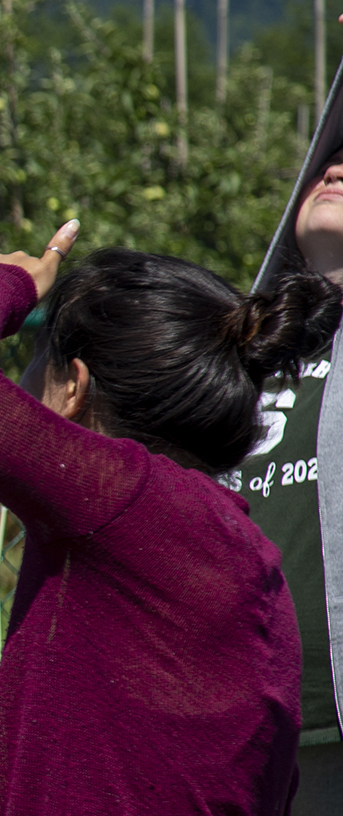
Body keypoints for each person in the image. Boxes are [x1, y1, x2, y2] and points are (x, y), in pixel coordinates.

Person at [0, 226, 327, 812]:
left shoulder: (122, 496)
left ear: (74, 386)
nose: (14, 387)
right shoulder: (255, 562)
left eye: (34, 362)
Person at [234, 48, 343, 814]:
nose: (336, 168)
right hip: (229, 711)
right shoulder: (234, 352)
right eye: (328, 160)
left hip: (328, 728)